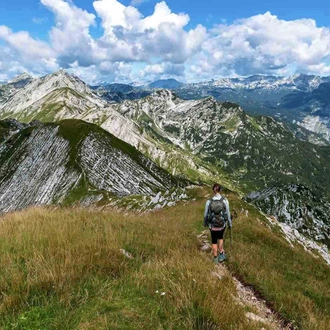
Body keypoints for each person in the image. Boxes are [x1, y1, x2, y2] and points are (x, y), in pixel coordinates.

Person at [203, 183, 232, 264]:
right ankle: (221, 255)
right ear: (220, 190)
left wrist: (205, 223)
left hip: (212, 226)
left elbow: (205, 215)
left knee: (214, 241)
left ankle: (215, 258)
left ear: (213, 190)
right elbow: (228, 213)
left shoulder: (209, 202)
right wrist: (230, 223)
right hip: (222, 225)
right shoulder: (225, 201)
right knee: (220, 238)